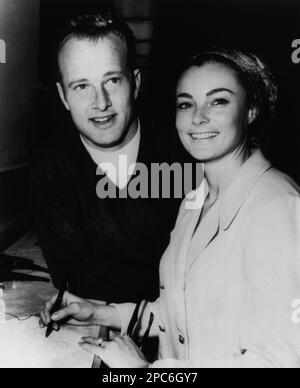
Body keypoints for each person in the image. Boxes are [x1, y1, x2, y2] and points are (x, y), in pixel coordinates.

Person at [40, 48, 300, 368]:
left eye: (218, 101)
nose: (198, 117)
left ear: (252, 110)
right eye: (186, 104)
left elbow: (277, 362)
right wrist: (99, 312)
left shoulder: (278, 208)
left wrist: (145, 371)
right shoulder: (195, 200)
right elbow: (177, 314)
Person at [30, 14, 181, 303]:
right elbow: (71, 272)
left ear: (135, 83)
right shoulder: (51, 169)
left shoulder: (181, 155)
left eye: (112, 80)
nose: (101, 103)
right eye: (82, 86)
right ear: (63, 96)